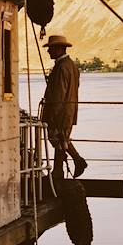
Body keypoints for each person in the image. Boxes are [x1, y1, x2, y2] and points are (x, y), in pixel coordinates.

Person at [41, 34, 87, 179]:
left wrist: (53, 114)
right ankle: (58, 171)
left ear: (59, 49)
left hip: (60, 111)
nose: (49, 51)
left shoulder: (61, 68)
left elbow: (59, 94)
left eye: (51, 49)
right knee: (62, 139)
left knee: (56, 138)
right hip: (70, 109)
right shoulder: (72, 66)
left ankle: (76, 161)